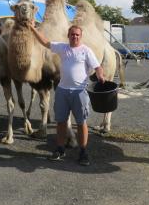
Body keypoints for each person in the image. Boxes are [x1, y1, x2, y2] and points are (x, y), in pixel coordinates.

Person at [27, 23, 104, 166]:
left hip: (80, 92)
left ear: (81, 37)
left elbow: (97, 67)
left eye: (77, 35)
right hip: (62, 90)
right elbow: (45, 42)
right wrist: (32, 28)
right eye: (72, 34)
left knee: (81, 123)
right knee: (61, 122)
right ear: (68, 36)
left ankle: (83, 151)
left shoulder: (86, 51)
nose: (75, 37)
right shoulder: (62, 48)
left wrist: (100, 75)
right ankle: (60, 149)